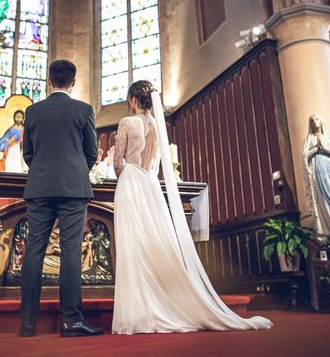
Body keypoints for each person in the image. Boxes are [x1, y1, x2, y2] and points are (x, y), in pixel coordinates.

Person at [112, 80, 272, 334]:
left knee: (133, 245)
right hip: (152, 186)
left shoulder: (127, 123)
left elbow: (118, 161)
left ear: (132, 99)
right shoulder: (158, 125)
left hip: (132, 183)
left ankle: (139, 312)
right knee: (155, 243)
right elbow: (155, 164)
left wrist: (126, 176)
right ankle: (158, 303)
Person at [19, 59, 102, 338]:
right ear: (73, 82)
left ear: (48, 81)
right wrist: (76, 170)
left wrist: (43, 171)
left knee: (33, 252)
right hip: (73, 189)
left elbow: (27, 153)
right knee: (70, 252)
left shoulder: (32, 111)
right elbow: (92, 152)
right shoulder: (83, 110)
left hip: (40, 188)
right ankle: (72, 321)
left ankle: (28, 323)